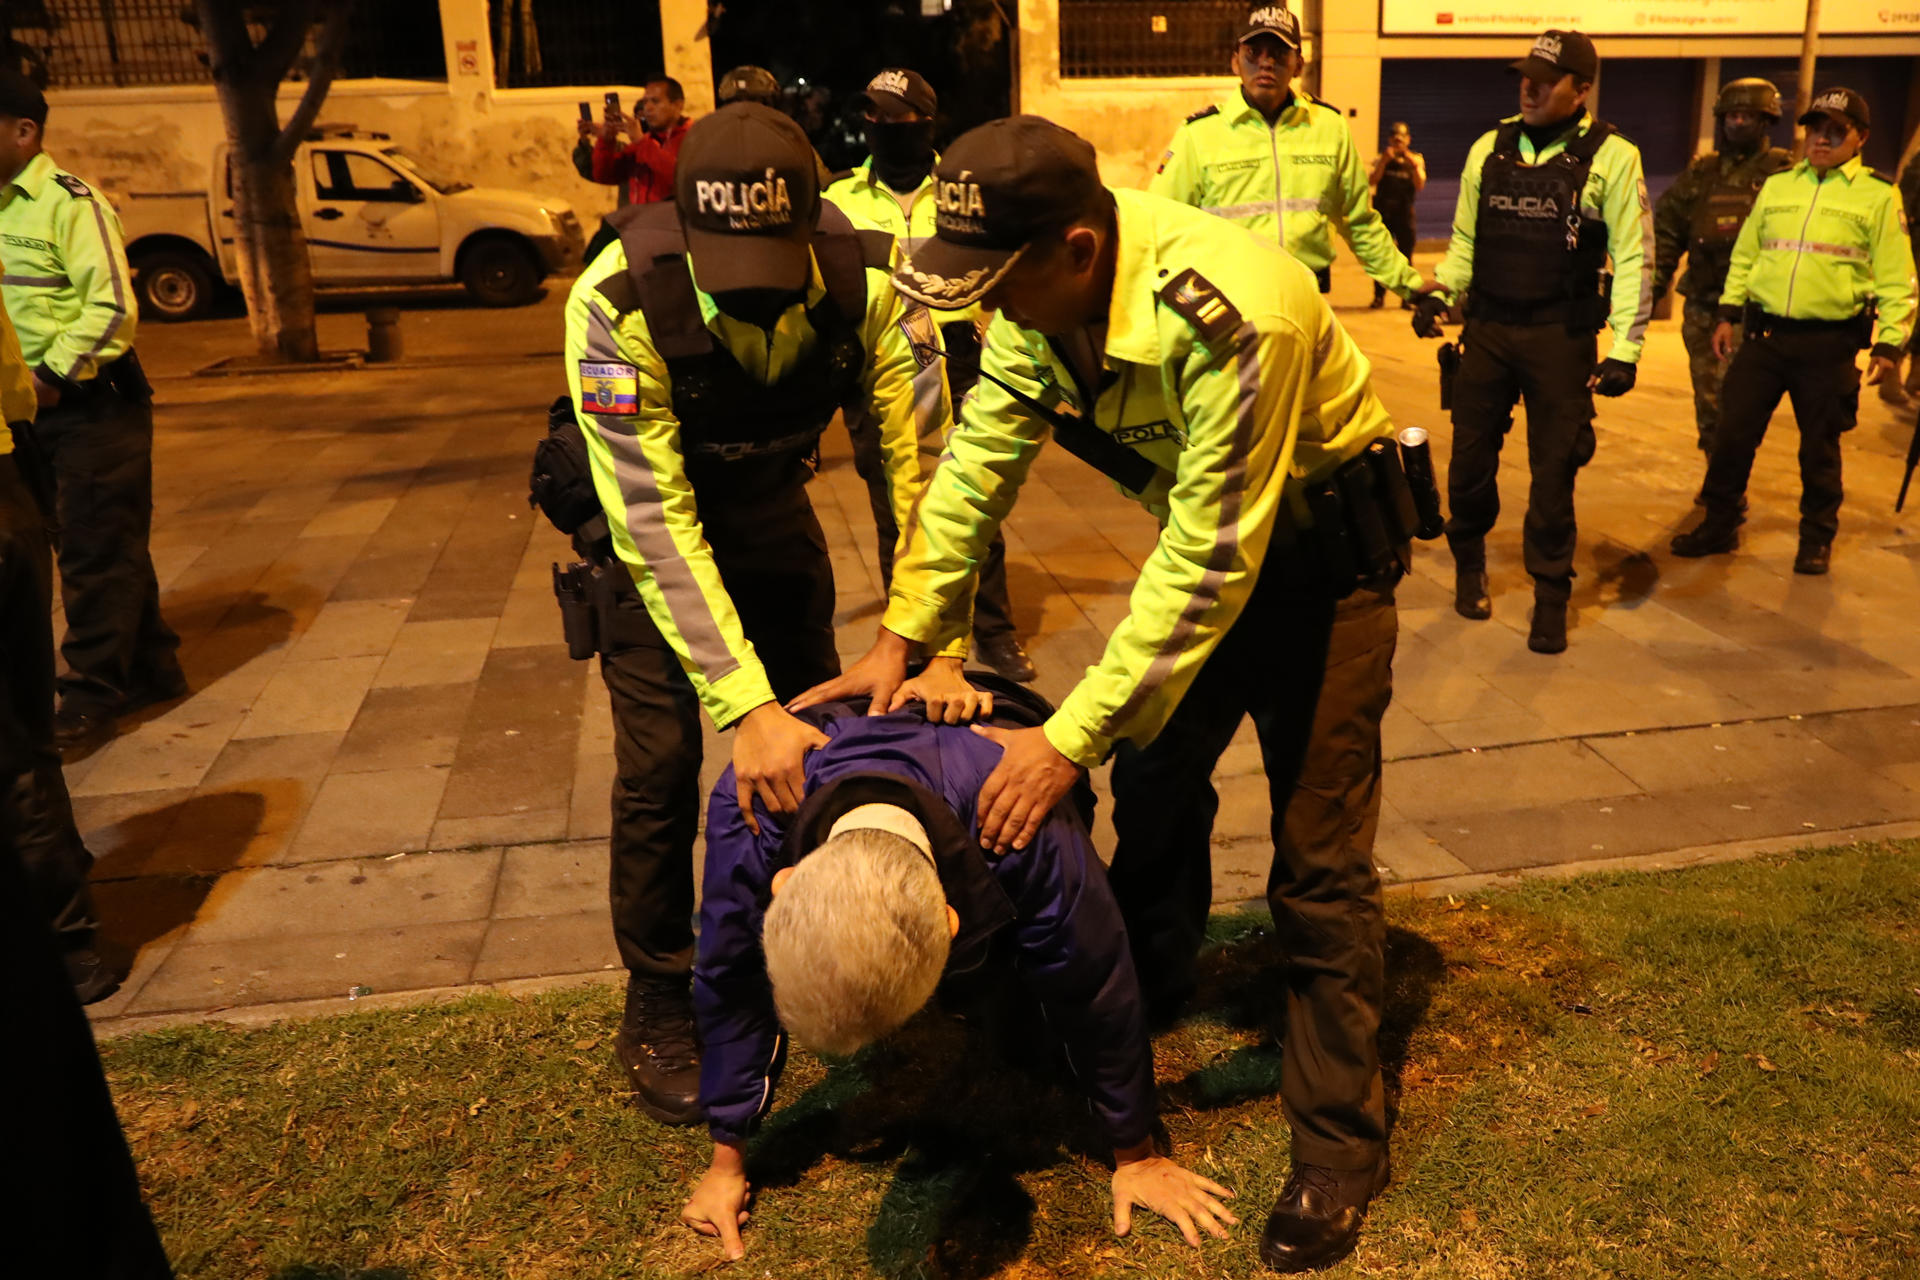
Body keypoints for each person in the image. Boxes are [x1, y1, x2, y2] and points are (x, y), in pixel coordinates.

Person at [803, 116, 1410, 1273]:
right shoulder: (1038, 307)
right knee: (1162, 780)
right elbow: (973, 468)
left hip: (1321, 577)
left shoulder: (1241, 312)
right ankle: (1141, 992)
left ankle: (1339, 1142)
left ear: (1079, 248)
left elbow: (1211, 559)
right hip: (1215, 553)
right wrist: (902, 635)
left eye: (998, 282)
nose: (985, 311)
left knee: (1318, 864)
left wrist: (1064, 740)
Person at [554, 103, 957, 1127]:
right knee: (656, 766)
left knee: (812, 746)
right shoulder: (615, 299)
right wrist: (741, 703)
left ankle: (806, 944)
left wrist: (926, 640)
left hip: (773, 513)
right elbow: (652, 515)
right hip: (646, 549)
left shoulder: (873, 280)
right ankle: (661, 986)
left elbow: (920, 471)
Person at [679, 679, 1236, 1260]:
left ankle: (994, 983)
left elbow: (1094, 982)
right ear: (784, 883)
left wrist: (1136, 1154)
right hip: (887, 761)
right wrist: (727, 1159)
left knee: (1030, 1036)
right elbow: (730, 975)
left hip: (1000, 734)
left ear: (954, 921)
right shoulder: (753, 793)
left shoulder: (1027, 820)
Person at [1411, 30, 1654, 655]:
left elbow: (1633, 258)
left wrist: (1625, 349)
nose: (1529, 86)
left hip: (1561, 338)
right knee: (1466, 468)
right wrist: (1441, 293)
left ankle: (1551, 593)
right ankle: (1469, 562)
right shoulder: (1487, 149)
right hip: (1488, 332)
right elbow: (1465, 243)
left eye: (1545, 79)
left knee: (1553, 478)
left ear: (1582, 89)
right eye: (1525, 75)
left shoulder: (1613, 157)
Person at [824, 67, 1036, 683]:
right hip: (882, 367)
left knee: (973, 498)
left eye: (896, 118)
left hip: (959, 359)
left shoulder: (960, 192)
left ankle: (992, 632)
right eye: (874, 117)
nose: (883, 129)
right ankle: (913, 633)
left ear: (926, 123)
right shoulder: (840, 200)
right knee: (895, 506)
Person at [0, 70, 182, 750]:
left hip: (91, 407)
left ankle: (88, 695)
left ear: (25, 132)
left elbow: (111, 309)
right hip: (23, 416)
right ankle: (154, 661)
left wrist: (51, 375)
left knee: (93, 548)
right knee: (105, 537)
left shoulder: (70, 203)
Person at [1670, 88, 1916, 575]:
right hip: (1764, 339)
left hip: (1829, 344)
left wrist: (1891, 341)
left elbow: (1898, 278)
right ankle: (1719, 523)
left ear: (1860, 137)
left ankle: (1816, 537)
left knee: (1819, 447)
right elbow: (1747, 254)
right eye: (1814, 129)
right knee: (1732, 435)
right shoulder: (1781, 187)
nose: (1821, 139)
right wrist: (1727, 313)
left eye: (1834, 131)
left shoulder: (1879, 196)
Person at [0, 288, 116, 1005]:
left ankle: (66, 946)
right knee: (27, 728)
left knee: (8, 749)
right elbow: (16, 383)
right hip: (10, 480)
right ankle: (69, 916)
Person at [1149, 5, 1422, 304]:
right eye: (1254, 52)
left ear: (1299, 65)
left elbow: (1360, 223)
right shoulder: (1198, 135)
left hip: (1307, 304)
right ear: (1235, 61)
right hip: (1229, 309)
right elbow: (1160, 228)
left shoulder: (1329, 128)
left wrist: (1413, 287)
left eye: (1279, 53)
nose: (1266, 63)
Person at [1651, 79, 1791, 464]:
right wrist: (1651, 289)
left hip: (1754, 312)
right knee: (1709, 400)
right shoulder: (1702, 173)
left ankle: (1729, 479)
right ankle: (1720, 479)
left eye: (1748, 116)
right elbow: (1667, 230)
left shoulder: (1785, 175)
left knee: (1741, 401)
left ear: (1766, 121)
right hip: (1702, 307)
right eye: (1732, 115)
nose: (1738, 123)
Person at [588, 77, 690, 208]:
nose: (648, 107)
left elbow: (682, 179)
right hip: (640, 224)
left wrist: (641, 142)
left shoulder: (693, 137)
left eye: (655, 101)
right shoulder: (646, 141)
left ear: (678, 105)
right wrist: (606, 141)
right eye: (645, 101)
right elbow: (604, 175)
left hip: (674, 225)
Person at [1367, 123, 1424, 309]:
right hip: (1384, 213)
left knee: (1406, 257)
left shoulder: (1416, 159)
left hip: (1404, 213)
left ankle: (1407, 297)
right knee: (1382, 257)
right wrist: (1384, 161)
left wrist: (1413, 164)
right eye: (1395, 139)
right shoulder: (1381, 158)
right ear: (1390, 140)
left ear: (1408, 140)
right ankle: (1379, 296)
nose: (1398, 142)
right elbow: (1372, 180)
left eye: (1402, 139)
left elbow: (1420, 184)